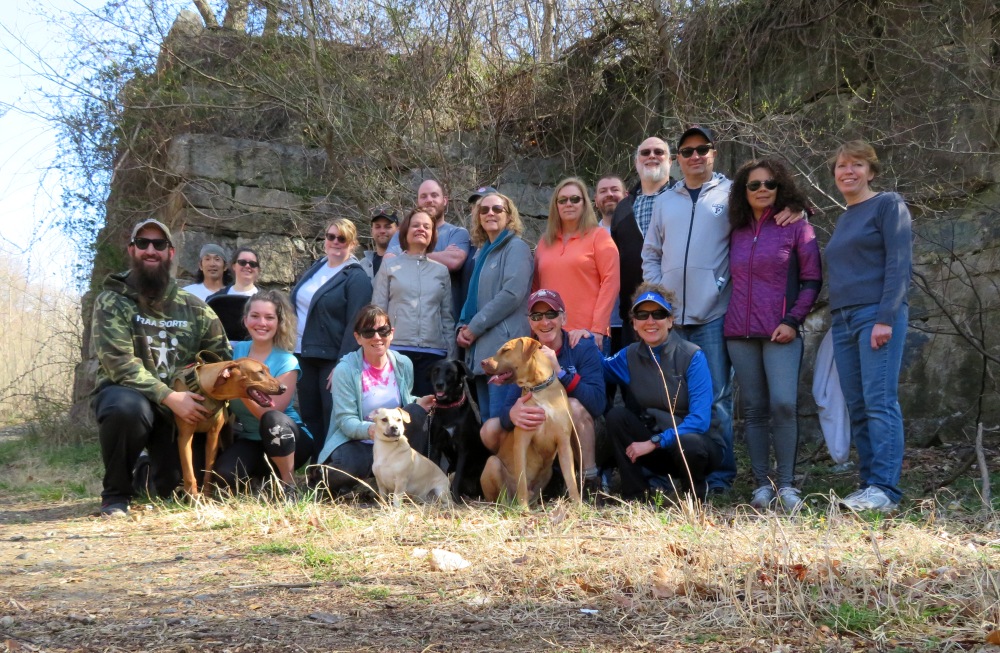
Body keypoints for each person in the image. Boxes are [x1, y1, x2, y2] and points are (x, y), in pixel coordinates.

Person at [641, 125, 804, 494]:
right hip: (671, 322)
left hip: (715, 316)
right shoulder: (666, 201)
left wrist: (796, 208)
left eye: (703, 149)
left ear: (714, 153)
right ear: (677, 158)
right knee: (673, 400)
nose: (695, 156)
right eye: (687, 151)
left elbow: (768, 209)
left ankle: (720, 476)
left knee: (716, 399)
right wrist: (658, 296)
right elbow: (650, 252)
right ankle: (682, 475)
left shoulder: (733, 193)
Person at [90, 219, 231, 517]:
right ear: (132, 250)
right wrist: (168, 396)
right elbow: (118, 362)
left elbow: (221, 358)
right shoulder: (112, 301)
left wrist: (217, 389)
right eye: (143, 243)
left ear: (171, 252)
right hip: (129, 395)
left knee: (174, 490)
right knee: (127, 409)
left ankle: (145, 473)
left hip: (180, 409)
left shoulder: (195, 308)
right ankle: (116, 494)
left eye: (159, 244)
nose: (150, 250)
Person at [724, 158, 822, 510]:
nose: (762, 190)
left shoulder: (796, 225)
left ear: (781, 187)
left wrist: (793, 320)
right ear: (743, 192)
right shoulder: (734, 227)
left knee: (783, 404)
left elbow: (812, 279)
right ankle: (762, 485)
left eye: (769, 184)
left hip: (781, 330)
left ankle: (787, 485)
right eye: (754, 185)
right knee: (753, 410)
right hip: (738, 331)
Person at [826, 140, 912, 512]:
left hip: (874, 316)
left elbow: (899, 264)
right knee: (857, 405)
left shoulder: (888, 204)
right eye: (842, 165)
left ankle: (885, 490)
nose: (848, 171)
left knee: (879, 402)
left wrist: (885, 317)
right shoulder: (845, 216)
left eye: (857, 165)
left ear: (871, 172)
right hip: (843, 320)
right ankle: (867, 486)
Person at [480, 289, 606, 496]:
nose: (544, 322)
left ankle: (590, 481)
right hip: (543, 443)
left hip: (589, 432)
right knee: (491, 428)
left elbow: (597, 404)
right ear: (530, 322)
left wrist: (560, 372)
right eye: (537, 316)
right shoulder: (525, 354)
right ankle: (520, 481)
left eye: (551, 314)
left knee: (573, 406)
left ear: (563, 317)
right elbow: (507, 410)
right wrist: (512, 414)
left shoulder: (581, 346)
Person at [603, 283, 717, 501]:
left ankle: (694, 496)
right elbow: (597, 368)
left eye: (659, 314)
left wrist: (655, 441)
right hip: (655, 448)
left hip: (693, 448)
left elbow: (700, 420)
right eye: (642, 315)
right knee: (617, 416)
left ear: (671, 320)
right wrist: (579, 341)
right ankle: (635, 496)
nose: (650, 321)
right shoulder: (628, 356)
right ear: (634, 323)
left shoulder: (692, 356)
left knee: (690, 443)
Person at [312, 305, 435, 495]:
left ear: (391, 333)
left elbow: (403, 403)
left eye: (383, 330)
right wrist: (372, 430)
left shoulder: (403, 364)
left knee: (417, 413)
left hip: (394, 443)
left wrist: (419, 402)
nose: (377, 337)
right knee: (344, 468)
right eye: (368, 332)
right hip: (358, 442)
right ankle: (332, 480)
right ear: (358, 337)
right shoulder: (345, 370)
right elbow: (345, 420)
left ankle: (404, 481)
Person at [213, 290, 314, 497]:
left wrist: (239, 388)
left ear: (278, 323)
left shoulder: (287, 361)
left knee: (273, 419)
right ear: (245, 320)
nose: (262, 323)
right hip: (251, 439)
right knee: (224, 475)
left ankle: (289, 485)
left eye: (269, 317)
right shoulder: (233, 352)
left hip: (289, 439)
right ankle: (263, 480)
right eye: (255, 316)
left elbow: (272, 409)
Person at [290, 218, 373, 456]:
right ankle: (316, 470)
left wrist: (343, 363)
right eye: (331, 236)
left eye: (342, 238)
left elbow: (356, 324)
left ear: (353, 243)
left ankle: (333, 473)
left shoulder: (356, 277)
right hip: (303, 352)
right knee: (310, 415)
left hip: (332, 358)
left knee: (332, 418)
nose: (335, 242)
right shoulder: (317, 266)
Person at [456, 191, 533, 421]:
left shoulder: (516, 248)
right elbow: (474, 298)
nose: (490, 213)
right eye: (484, 210)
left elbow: (512, 294)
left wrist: (474, 327)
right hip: (482, 349)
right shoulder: (482, 254)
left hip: (505, 352)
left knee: (503, 425)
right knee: (488, 425)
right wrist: (464, 326)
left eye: (497, 209)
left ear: (509, 216)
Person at [373, 209, 456, 396]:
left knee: (427, 415)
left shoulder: (441, 271)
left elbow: (447, 317)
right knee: (397, 416)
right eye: (416, 225)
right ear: (405, 231)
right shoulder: (389, 266)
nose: (421, 229)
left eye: (427, 226)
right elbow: (377, 313)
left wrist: (451, 357)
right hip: (396, 352)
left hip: (434, 355)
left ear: (433, 234)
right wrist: (377, 352)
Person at [533, 177, 620, 352]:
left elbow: (611, 283)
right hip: (550, 336)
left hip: (586, 335)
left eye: (575, 199)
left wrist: (597, 329)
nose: (569, 204)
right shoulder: (544, 242)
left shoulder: (599, 237)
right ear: (556, 206)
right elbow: (535, 289)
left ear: (585, 203)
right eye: (562, 200)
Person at [611, 137, 673, 348]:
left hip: (677, 313)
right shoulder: (623, 208)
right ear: (637, 162)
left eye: (659, 151)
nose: (652, 156)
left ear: (670, 161)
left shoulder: (684, 199)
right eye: (645, 153)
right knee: (636, 379)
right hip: (634, 314)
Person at [386, 179, 471, 316]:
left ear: (445, 200)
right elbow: (389, 262)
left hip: (444, 319)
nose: (429, 200)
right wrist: (441, 255)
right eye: (423, 196)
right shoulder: (402, 233)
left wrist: (408, 255)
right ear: (418, 202)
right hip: (406, 318)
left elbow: (454, 261)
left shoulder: (457, 233)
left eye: (434, 195)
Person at [594, 176, 627, 355]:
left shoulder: (639, 230)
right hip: (600, 327)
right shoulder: (588, 236)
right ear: (595, 199)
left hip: (633, 324)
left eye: (615, 190)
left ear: (626, 195)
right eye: (603, 191)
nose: (609, 195)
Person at [207, 247, 262, 341]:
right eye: (242, 262)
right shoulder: (215, 300)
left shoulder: (267, 300)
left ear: (258, 269)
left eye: (252, 264)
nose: (247, 266)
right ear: (233, 266)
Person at [361, 205, 398, 280]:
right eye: (377, 227)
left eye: (388, 227)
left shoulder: (406, 260)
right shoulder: (363, 265)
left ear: (397, 230)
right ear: (372, 231)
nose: (382, 231)